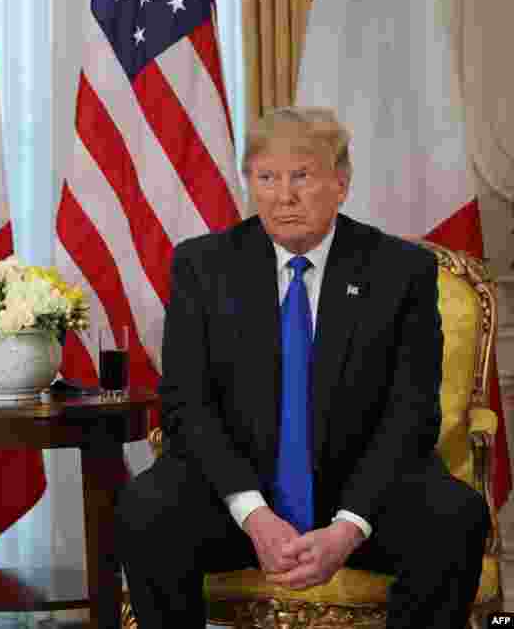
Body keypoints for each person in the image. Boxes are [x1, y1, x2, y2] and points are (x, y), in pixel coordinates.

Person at [115, 107, 490, 628]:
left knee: (455, 519)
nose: (283, 196)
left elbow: (411, 412)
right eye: (267, 177)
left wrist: (348, 527)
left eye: (302, 176)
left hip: (362, 495)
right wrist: (254, 514)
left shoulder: (399, 271)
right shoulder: (204, 266)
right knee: (146, 510)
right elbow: (187, 405)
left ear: (341, 183)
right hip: (241, 496)